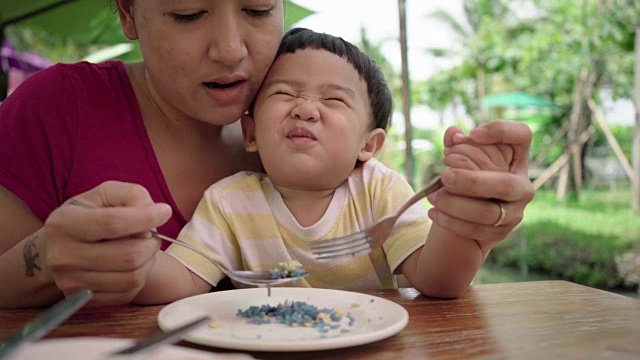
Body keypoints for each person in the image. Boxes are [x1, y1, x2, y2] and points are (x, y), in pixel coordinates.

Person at [0, 1, 534, 308]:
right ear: (128, 13)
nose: (232, 50)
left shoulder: (349, 167)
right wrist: (49, 257)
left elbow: (438, 280)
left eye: (258, 8)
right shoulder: (58, 109)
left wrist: (468, 221)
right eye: (189, 12)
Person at [132, 28, 516, 304]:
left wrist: (463, 223)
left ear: (368, 145)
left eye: (333, 100)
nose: (305, 108)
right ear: (249, 131)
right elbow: (179, 281)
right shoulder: (230, 202)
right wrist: (131, 254)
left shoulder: (380, 191)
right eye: (284, 93)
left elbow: (440, 281)